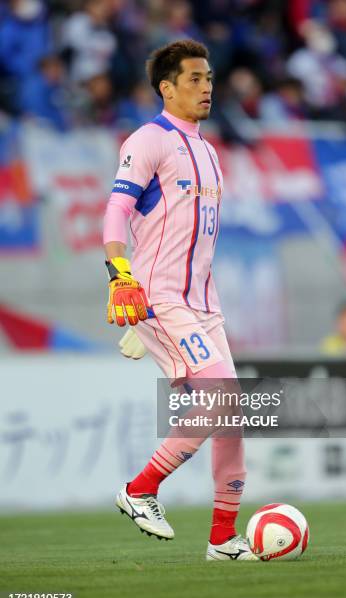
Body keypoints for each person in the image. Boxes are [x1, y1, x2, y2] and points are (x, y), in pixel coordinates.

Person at [102, 39, 256, 561]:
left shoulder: (210, 152)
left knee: (232, 413)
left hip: (202, 304)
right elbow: (117, 210)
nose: (207, 86)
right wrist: (120, 275)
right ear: (167, 88)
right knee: (222, 398)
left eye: (209, 77)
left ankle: (223, 539)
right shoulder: (148, 140)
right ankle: (140, 488)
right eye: (194, 78)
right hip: (161, 297)